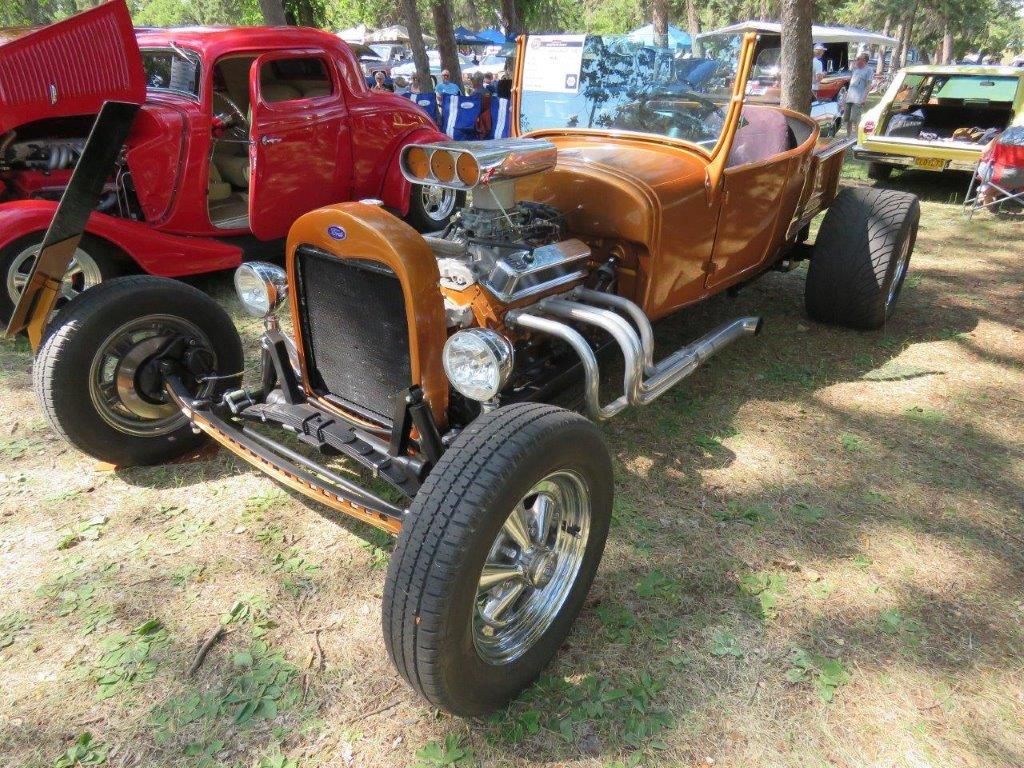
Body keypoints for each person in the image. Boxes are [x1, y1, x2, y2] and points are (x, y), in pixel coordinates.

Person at [844, 52, 873, 136]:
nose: (856, 60)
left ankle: (856, 137)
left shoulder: (869, 70)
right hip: (850, 97)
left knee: (855, 119)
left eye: (858, 59)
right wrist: (846, 95)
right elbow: (851, 83)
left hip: (858, 98)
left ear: (864, 60)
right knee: (848, 118)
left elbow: (868, 85)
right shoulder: (855, 69)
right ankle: (848, 136)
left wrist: (864, 98)